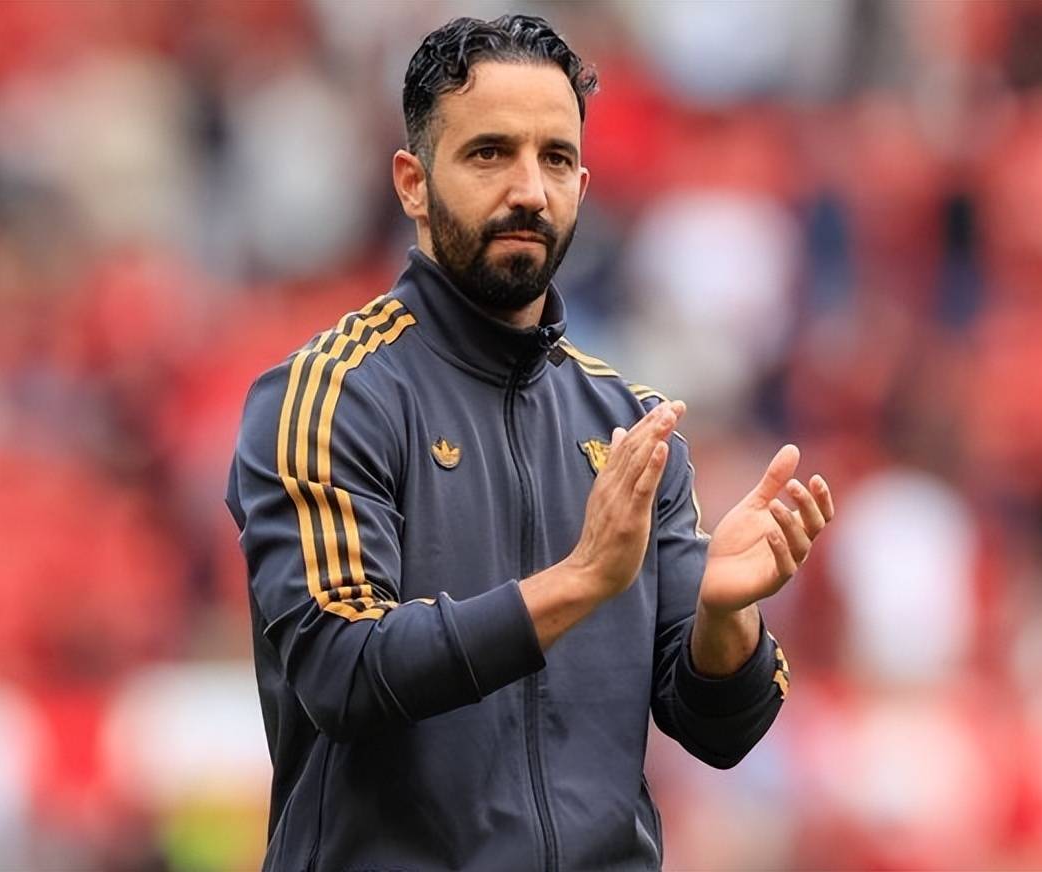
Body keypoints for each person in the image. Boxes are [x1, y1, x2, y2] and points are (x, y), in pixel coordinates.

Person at [226, 14, 834, 872]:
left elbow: (719, 730)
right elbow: (343, 669)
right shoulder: (330, 395)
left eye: (554, 159)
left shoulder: (629, 420)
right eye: (490, 154)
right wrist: (579, 582)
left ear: (582, 184)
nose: (529, 190)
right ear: (412, 182)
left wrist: (725, 616)